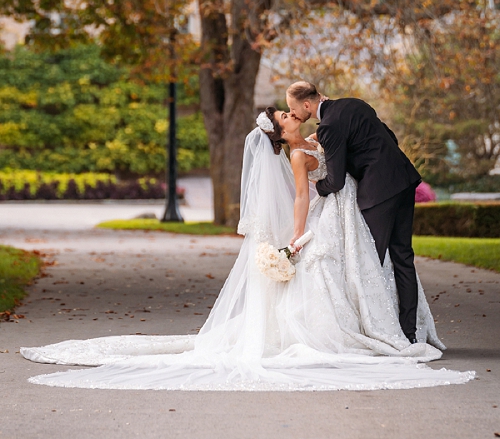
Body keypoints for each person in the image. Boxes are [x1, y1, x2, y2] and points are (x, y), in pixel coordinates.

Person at [20, 116, 474, 392]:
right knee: (334, 277)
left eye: (289, 110)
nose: (291, 114)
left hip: (344, 219)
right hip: (326, 222)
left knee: (356, 275)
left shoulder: (313, 141)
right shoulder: (298, 155)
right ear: (282, 131)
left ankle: (377, 327)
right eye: (284, 115)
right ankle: (359, 333)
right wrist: (297, 239)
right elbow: (302, 198)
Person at [285, 81, 422, 343]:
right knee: (403, 257)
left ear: (306, 105)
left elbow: (335, 181)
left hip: (378, 192)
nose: (292, 114)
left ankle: (384, 331)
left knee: (371, 260)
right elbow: (389, 138)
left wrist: (318, 185)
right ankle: (409, 332)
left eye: (293, 108)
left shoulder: (328, 126)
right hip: (403, 179)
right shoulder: (353, 103)